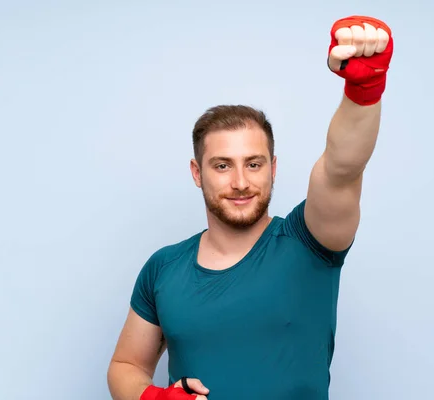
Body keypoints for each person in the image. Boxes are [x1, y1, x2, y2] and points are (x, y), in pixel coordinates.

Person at [107, 14, 394, 400]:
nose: (240, 182)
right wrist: (152, 398)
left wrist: (364, 90)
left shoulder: (311, 241)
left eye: (254, 164)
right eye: (222, 165)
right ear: (197, 172)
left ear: (273, 168)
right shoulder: (163, 268)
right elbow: (126, 367)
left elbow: (342, 168)